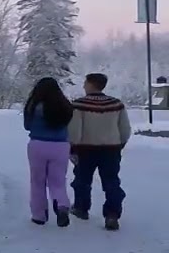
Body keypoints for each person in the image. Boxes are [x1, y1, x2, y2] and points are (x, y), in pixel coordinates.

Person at [68, 72, 131, 230]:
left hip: (85, 149)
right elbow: (125, 129)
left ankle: (81, 208)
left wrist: (72, 148)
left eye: (85, 83)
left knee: (82, 180)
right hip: (111, 150)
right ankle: (112, 214)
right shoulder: (116, 104)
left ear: (91, 84)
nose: (83, 86)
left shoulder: (79, 105)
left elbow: (75, 130)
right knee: (111, 182)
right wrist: (119, 144)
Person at [22, 76, 74, 227]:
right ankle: (62, 205)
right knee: (58, 181)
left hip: (38, 145)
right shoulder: (65, 106)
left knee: (37, 181)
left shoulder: (33, 106)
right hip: (61, 146)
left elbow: (27, 126)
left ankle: (39, 215)